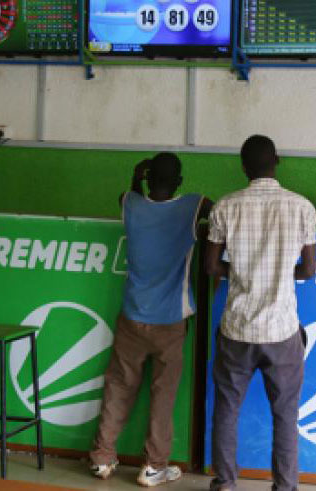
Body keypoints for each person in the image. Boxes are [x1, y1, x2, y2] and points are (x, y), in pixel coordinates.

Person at [89, 153, 213, 486]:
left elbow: (130, 196)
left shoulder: (129, 202)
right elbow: (218, 214)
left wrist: (135, 176)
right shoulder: (193, 205)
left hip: (132, 315)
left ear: (146, 178)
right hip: (170, 321)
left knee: (118, 386)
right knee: (163, 395)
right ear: (179, 181)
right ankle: (154, 466)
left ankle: (102, 458)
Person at [205, 135, 316, 491]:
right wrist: (283, 273)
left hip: (237, 327)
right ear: (277, 161)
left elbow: (210, 266)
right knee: (285, 415)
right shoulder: (302, 207)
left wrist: (240, 273)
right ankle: (285, 486)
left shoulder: (225, 206)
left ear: (243, 166)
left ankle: (225, 482)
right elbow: (310, 269)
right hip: (281, 330)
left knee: (227, 409)